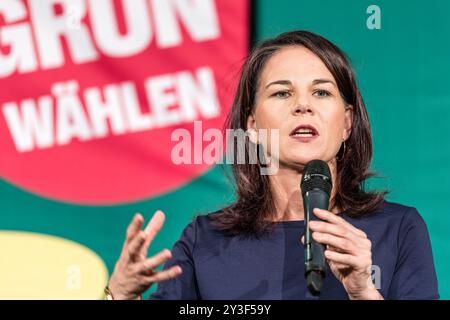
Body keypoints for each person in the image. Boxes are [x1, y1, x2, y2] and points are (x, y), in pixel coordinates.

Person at [106, 30, 439, 300]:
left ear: (347, 123)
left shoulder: (398, 230)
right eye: (282, 94)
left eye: (321, 93)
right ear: (252, 126)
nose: (303, 105)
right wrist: (119, 295)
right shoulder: (205, 240)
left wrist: (363, 291)